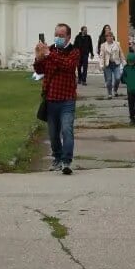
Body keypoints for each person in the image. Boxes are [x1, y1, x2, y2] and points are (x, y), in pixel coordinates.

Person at [34, 23, 80, 175]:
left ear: (68, 37)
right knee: (53, 134)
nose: (58, 38)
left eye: (61, 36)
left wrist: (49, 54)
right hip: (51, 99)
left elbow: (68, 66)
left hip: (67, 99)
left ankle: (67, 161)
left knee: (67, 129)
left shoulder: (74, 52)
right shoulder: (50, 50)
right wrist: (38, 57)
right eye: (56, 35)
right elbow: (40, 71)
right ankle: (57, 158)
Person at [99, 30, 124, 98]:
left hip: (116, 64)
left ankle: (115, 90)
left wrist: (124, 63)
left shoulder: (117, 44)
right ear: (106, 37)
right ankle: (109, 93)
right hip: (108, 65)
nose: (110, 37)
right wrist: (101, 65)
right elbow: (101, 56)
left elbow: (121, 54)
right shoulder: (103, 45)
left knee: (118, 78)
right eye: (108, 36)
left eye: (111, 36)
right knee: (109, 80)